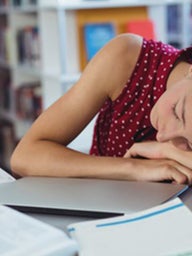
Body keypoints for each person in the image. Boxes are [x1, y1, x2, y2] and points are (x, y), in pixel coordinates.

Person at [10, 33, 192, 184]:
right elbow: (24, 157)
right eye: (178, 113)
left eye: (189, 144)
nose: (162, 136)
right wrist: (134, 168)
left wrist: (165, 151)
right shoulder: (127, 58)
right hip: (100, 207)